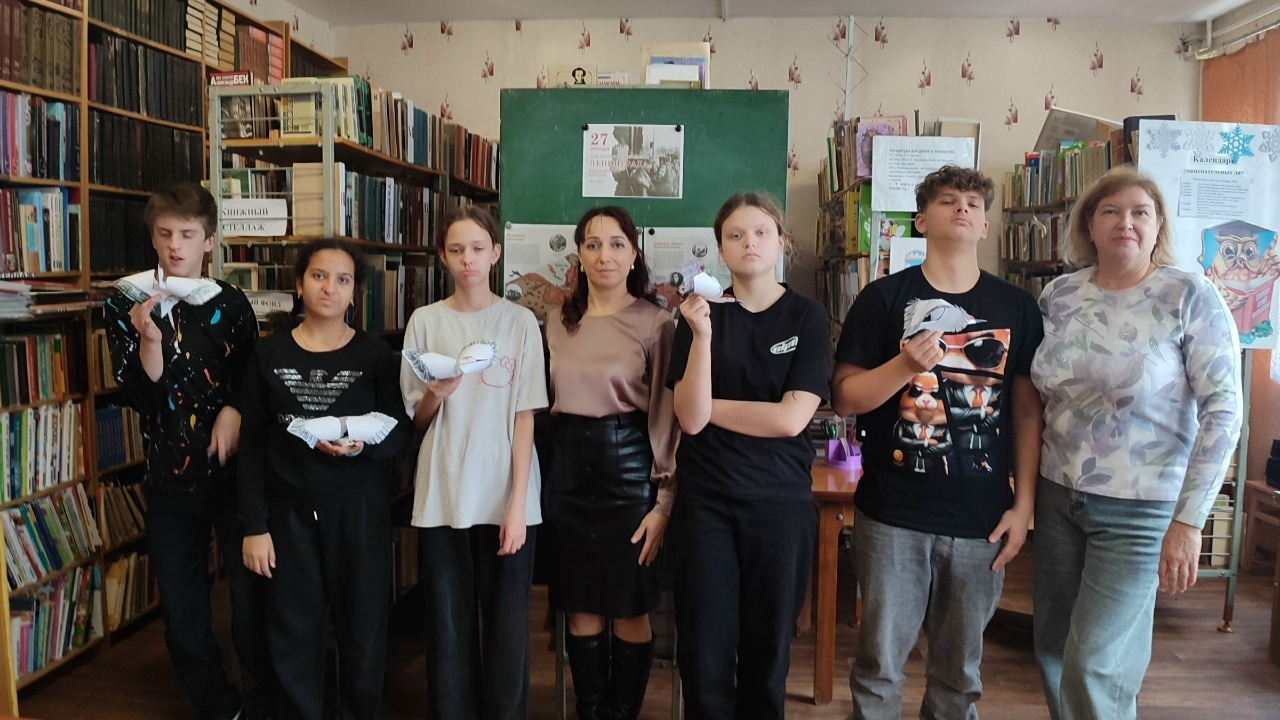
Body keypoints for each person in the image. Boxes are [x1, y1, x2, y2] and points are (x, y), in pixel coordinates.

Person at [831, 165, 1044, 720]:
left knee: (959, 674)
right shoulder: (882, 299)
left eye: (974, 203)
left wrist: (1024, 506)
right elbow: (846, 398)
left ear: (986, 225)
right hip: (892, 515)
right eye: (948, 200)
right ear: (921, 220)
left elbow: (1026, 412)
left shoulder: (1017, 307)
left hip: (980, 519)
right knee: (879, 665)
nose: (963, 209)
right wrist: (904, 365)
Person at [1031, 167, 1242, 720]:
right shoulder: (1059, 295)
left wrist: (1190, 521)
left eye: (1139, 212)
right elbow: (1037, 392)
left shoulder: (1189, 295)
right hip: (1057, 497)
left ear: (1157, 226)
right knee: (1053, 646)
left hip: (1142, 508)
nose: (1125, 222)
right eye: (1111, 211)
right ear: (1089, 226)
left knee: (1095, 663)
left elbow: (1224, 412)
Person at [105, 182, 273, 720]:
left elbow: (254, 381)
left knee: (252, 602)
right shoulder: (125, 301)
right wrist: (149, 341)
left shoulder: (230, 302)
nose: (175, 245)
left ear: (209, 240)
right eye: (165, 234)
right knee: (181, 611)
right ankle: (220, 707)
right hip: (168, 479)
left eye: (187, 234)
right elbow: (141, 397)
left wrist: (234, 409)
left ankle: (265, 702)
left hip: (232, 478)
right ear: (153, 238)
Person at [667, 192, 829, 718]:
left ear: (781, 242)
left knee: (767, 651)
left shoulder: (807, 317)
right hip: (705, 504)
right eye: (735, 235)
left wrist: (710, 406)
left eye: (761, 232)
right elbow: (688, 419)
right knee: (704, 651)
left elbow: (791, 420)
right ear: (720, 250)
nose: (748, 243)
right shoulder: (696, 318)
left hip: (779, 504)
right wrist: (703, 336)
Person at [238, 239, 409, 720]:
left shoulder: (376, 354)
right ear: (299, 284)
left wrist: (362, 445)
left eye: (342, 279)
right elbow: (251, 445)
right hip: (287, 513)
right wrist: (254, 526)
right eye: (318, 276)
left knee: (362, 632)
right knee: (292, 631)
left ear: (355, 292)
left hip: (358, 511)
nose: (329, 288)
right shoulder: (268, 354)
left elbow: (398, 429)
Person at [400, 206, 548, 720]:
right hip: (444, 491)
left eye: (478, 248)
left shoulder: (520, 321)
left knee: (507, 628)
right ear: (443, 256)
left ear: (495, 253)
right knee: (447, 624)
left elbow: (526, 416)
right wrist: (437, 393)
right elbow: (417, 418)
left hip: (508, 494)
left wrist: (517, 505)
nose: (468, 259)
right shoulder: (425, 321)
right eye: (457, 249)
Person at [545, 207, 679, 720]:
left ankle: (621, 713)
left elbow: (666, 414)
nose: (605, 255)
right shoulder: (556, 321)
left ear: (634, 254)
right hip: (566, 472)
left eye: (617, 243)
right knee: (580, 607)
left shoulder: (655, 321)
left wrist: (664, 499)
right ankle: (591, 711)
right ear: (579, 255)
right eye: (594, 244)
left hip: (629, 471)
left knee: (629, 608)